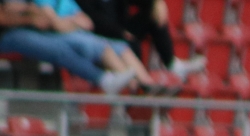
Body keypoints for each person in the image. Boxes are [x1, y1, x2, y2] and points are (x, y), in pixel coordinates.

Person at [0, 0, 151, 92]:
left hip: (40, 29)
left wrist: (32, 13)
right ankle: (103, 79)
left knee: (118, 46)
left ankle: (146, 87)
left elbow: (48, 16)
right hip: (9, 34)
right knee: (59, 48)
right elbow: (4, 16)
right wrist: (30, 17)